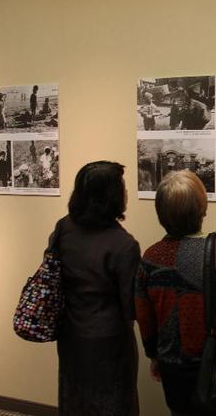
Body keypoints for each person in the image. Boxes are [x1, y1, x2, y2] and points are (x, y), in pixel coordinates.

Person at [136, 170, 216, 416]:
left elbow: (145, 319)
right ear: (202, 208)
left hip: (174, 369)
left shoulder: (150, 259)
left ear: (160, 213)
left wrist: (153, 356)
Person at [54, 161, 141, 415]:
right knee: (113, 402)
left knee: (75, 398)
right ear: (112, 196)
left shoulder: (64, 228)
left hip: (70, 331)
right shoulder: (124, 245)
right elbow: (130, 307)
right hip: (110, 340)